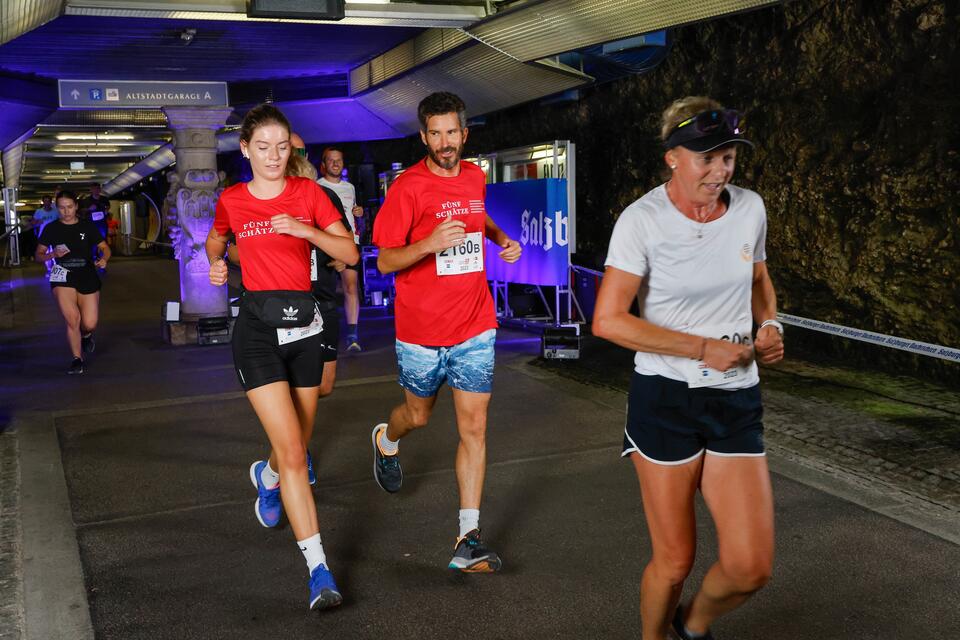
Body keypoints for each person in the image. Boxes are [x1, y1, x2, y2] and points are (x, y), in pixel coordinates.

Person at [592, 96, 785, 640]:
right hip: (666, 399)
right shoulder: (641, 221)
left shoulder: (750, 208)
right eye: (707, 158)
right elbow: (608, 321)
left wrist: (771, 326)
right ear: (672, 157)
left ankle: (693, 625)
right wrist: (701, 348)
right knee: (675, 563)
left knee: (752, 566)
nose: (720, 171)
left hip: (735, 398)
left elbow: (759, 282)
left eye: (728, 158)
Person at [206, 104, 358, 611]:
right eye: (262, 146)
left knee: (296, 440)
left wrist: (305, 230)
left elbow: (351, 252)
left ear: (291, 148)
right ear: (245, 149)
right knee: (295, 451)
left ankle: (267, 478)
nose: (273, 156)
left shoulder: (309, 194)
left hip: (306, 329)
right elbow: (217, 237)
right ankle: (319, 570)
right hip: (255, 332)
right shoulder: (232, 199)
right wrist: (214, 263)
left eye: (282, 146)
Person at [371, 91, 521, 572]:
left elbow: (478, 217)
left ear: (464, 132)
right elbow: (386, 259)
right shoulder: (407, 188)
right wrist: (429, 243)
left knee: (474, 428)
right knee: (417, 416)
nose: (444, 142)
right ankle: (385, 440)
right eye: (434, 134)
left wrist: (501, 239)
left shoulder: (476, 175)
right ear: (423, 137)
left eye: (451, 132)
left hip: (475, 323)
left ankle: (467, 538)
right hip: (420, 329)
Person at [35, 190, 111, 374]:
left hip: (86, 274)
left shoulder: (87, 226)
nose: (66, 211)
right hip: (62, 275)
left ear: (76, 206)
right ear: (56, 208)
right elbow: (38, 255)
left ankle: (86, 334)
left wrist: (104, 259)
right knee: (72, 319)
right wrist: (53, 254)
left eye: (69, 207)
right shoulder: (51, 228)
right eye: (61, 208)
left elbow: (104, 247)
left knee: (90, 322)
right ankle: (77, 359)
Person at [318, 147, 364, 351]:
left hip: (349, 242)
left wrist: (359, 213)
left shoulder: (350, 188)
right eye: (331, 161)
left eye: (339, 160)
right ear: (324, 164)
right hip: (325, 243)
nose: (335, 164)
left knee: (351, 287)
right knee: (322, 291)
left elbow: (353, 216)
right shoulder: (316, 186)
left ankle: (352, 335)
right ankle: (320, 335)